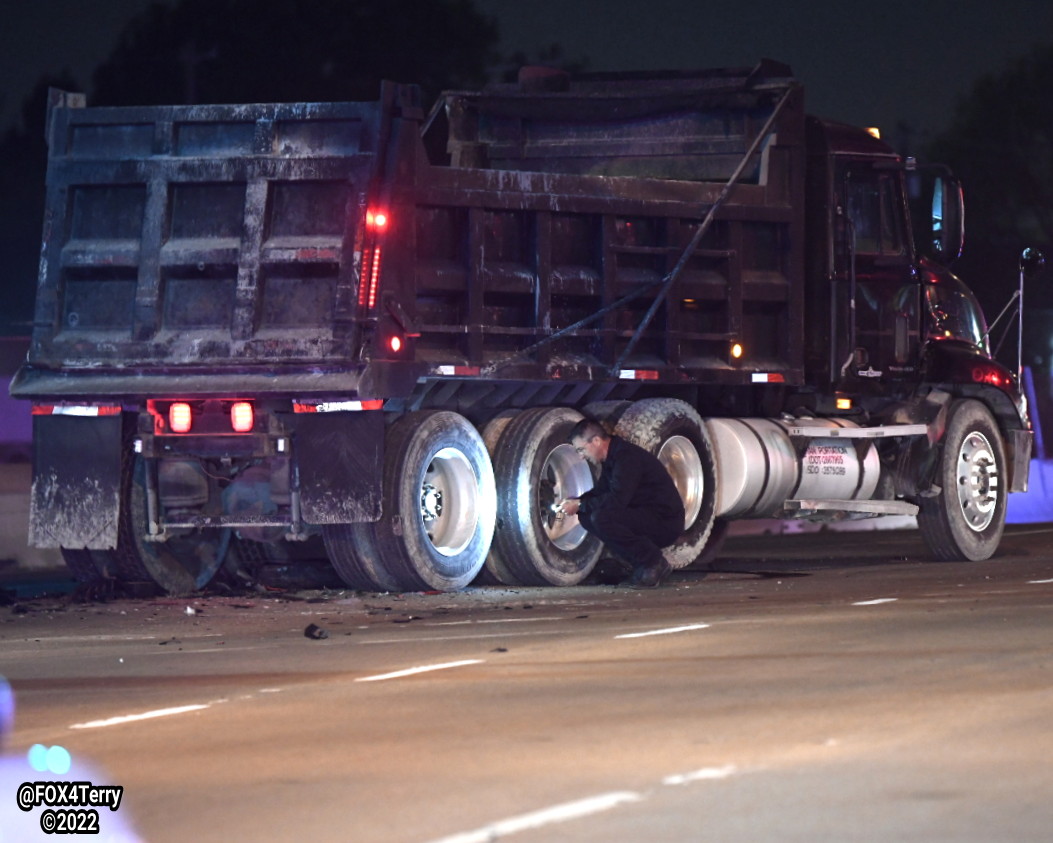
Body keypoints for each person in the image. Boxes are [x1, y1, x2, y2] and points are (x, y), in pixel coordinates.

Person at [558, 417, 685, 588]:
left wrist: (581, 504)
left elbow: (617, 500)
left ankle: (653, 562)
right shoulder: (612, 459)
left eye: (581, 449)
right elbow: (601, 492)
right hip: (644, 515)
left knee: (602, 517)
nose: (581, 457)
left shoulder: (627, 458)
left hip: (665, 521)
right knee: (588, 515)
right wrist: (578, 502)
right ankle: (633, 563)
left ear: (596, 441)